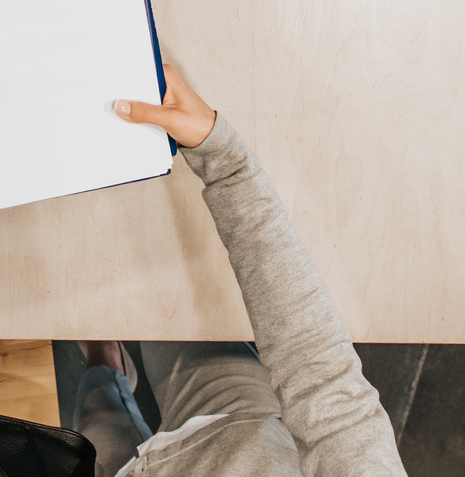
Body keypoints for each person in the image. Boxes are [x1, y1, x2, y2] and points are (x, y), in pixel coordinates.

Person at [73, 66, 406, 476]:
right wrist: (226, 162)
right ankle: (106, 350)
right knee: (170, 304)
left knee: (97, 411)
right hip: (232, 425)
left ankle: (105, 358)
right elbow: (323, 387)